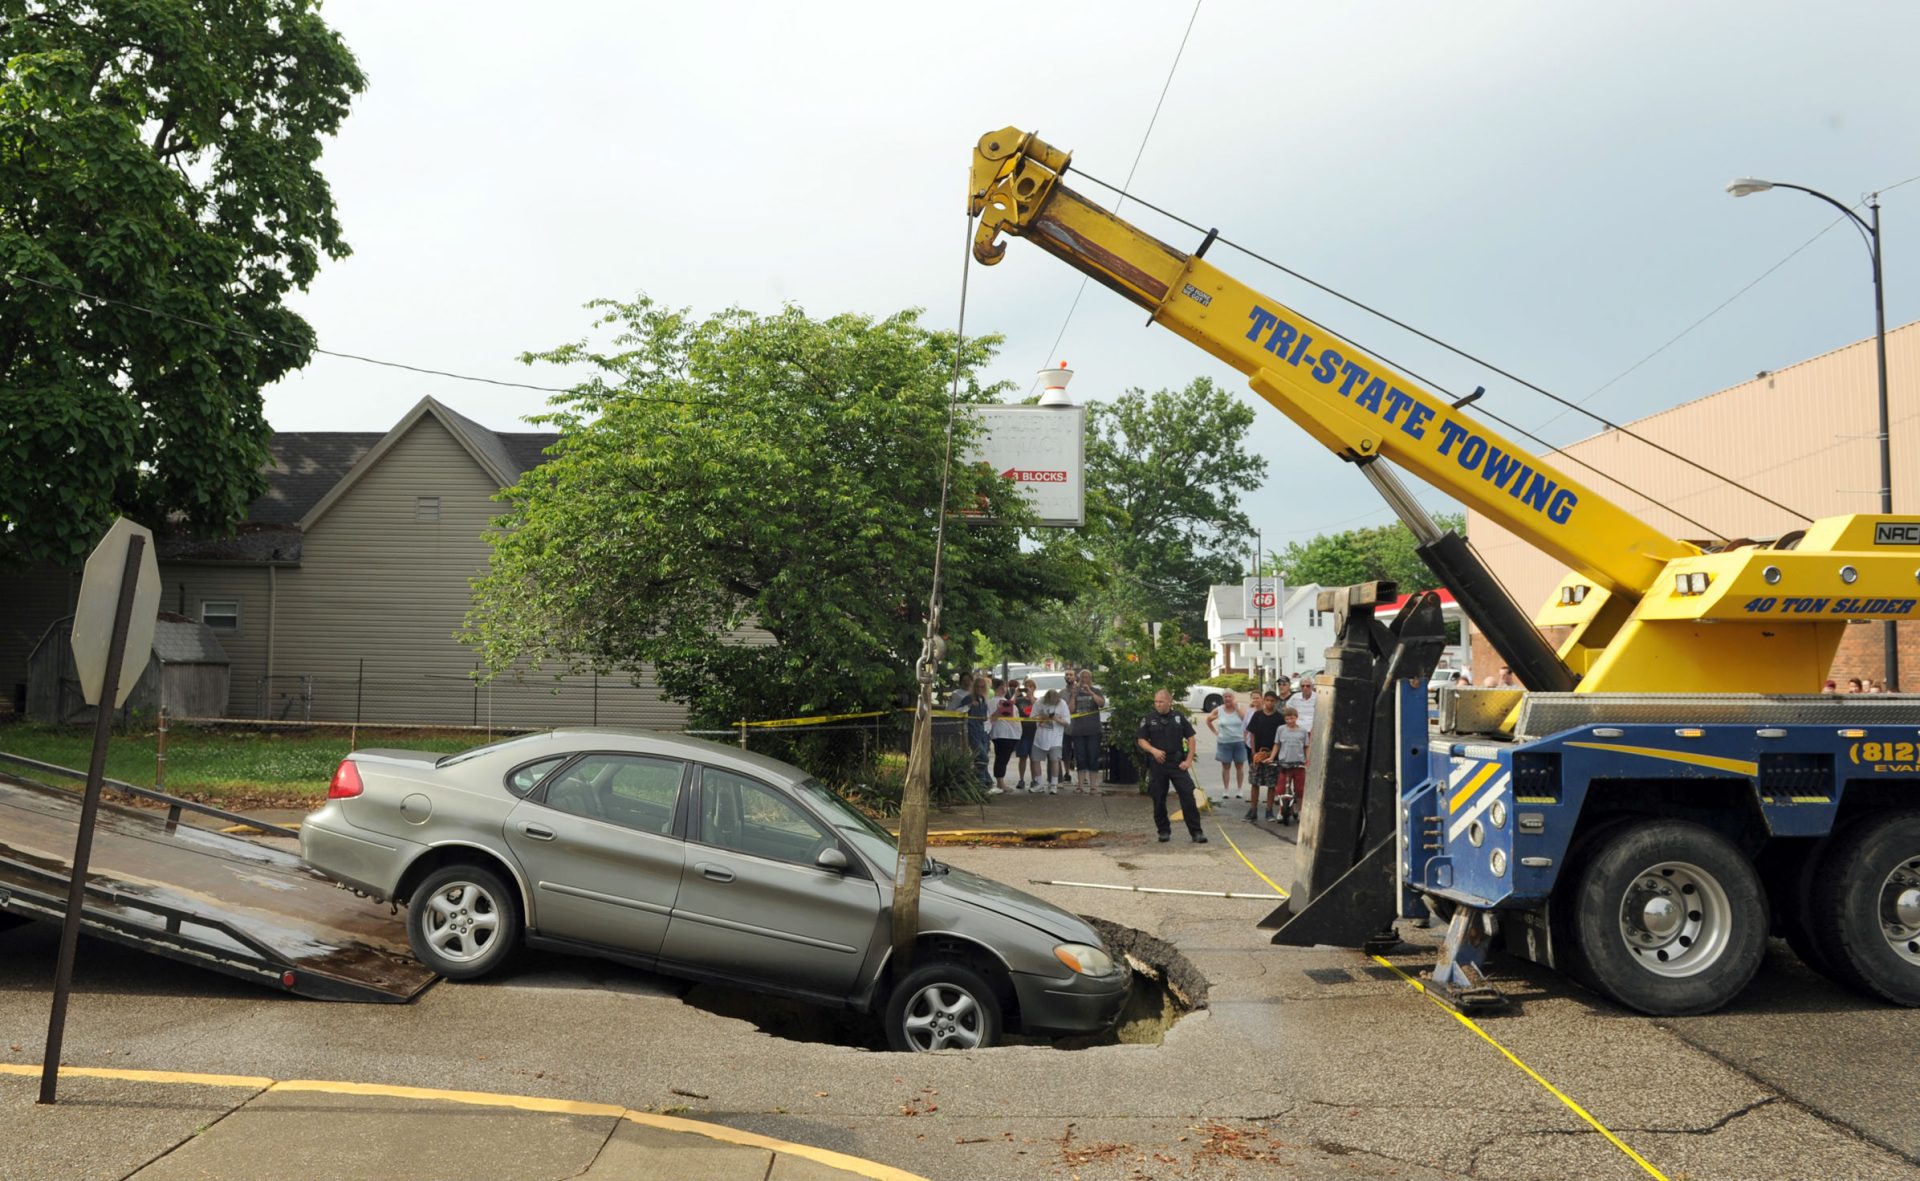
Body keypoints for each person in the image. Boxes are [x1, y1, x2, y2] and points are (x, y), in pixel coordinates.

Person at [1136, 689, 1207, 844]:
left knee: (1188, 795)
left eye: (1161, 701)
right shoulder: (1149, 719)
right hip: (1158, 764)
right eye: (1156, 702)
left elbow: (1191, 738)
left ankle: (1196, 832)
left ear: (1169, 702)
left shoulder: (1178, 718)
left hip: (1177, 763)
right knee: (1158, 798)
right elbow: (1141, 740)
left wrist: (1188, 761)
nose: (1158, 704)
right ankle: (1163, 831)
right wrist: (1153, 750)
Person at [1244, 690, 1283, 822]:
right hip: (1258, 754)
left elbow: (1280, 738)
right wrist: (1254, 752)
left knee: (1271, 784)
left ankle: (1269, 811)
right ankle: (1253, 810)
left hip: (1272, 755)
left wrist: (1273, 754)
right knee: (1255, 783)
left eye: (1272, 701)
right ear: (1264, 700)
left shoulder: (1279, 717)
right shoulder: (1257, 715)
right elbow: (1252, 734)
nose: (1269, 703)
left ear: (1276, 702)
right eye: (1267, 700)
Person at [1068, 669, 1107, 792]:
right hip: (1078, 730)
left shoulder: (1096, 691)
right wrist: (1074, 696)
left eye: (1087, 677)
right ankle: (1080, 785)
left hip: (1093, 730)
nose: (1084, 679)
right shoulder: (1075, 691)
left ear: (1090, 679)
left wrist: (1090, 693)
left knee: (1093, 756)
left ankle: (1093, 785)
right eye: (1082, 677)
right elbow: (1069, 710)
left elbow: (1102, 704)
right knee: (1080, 757)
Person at [1207, 690, 1250, 799]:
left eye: (1229, 696)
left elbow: (1245, 720)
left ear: (1233, 697)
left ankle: (1239, 789)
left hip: (1239, 741)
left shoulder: (1240, 707)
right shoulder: (1219, 709)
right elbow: (1208, 719)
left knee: (1239, 766)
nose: (1227, 699)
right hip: (1224, 742)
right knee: (1226, 766)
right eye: (1225, 697)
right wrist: (1215, 732)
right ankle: (1226, 789)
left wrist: (1236, 708)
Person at [1273, 707, 1309, 826]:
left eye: (1292, 718)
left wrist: (1307, 759)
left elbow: (1306, 746)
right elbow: (1277, 744)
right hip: (1284, 762)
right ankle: (1281, 811)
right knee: (1281, 788)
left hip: (1298, 763)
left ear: (1296, 718)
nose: (1289, 721)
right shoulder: (1280, 729)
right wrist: (1272, 757)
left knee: (1299, 789)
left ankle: (1299, 811)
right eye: (1287, 719)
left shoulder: (1303, 731)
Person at [1030, 688, 1070, 792]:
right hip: (1040, 737)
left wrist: (1057, 719)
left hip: (1056, 738)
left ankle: (1054, 784)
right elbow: (1032, 717)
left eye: (1055, 701)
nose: (1053, 702)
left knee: (1055, 760)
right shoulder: (1039, 702)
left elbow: (1067, 722)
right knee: (1035, 759)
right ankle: (1039, 783)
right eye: (1051, 701)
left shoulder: (1062, 704)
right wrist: (1043, 717)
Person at [960, 674, 995, 793]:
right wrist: (969, 706)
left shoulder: (983, 700)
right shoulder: (969, 699)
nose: (980, 689)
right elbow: (957, 711)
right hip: (972, 731)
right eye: (978, 687)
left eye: (982, 687)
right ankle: (981, 782)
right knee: (981, 757)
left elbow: (985, 716)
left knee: (983, 757)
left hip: (982, 731)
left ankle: (985, 782)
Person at [989, 679, 1023, 792]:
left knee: (1001, 758)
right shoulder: (1000, 702)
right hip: (1006, 734)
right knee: (1002, 758)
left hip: (1002, 734)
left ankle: (1000, 781)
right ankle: (1000, 782)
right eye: (1005, 687)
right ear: (1002, 688)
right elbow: (1008, 713)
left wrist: (1014, 696)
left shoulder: (993, 701)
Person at [1014, 678, 1039, 791]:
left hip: (1034, 733)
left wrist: (1031, 697)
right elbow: (1008, 705)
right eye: (1026, 686)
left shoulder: (1037, 701)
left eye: (1031, 687)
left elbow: (1038, 710)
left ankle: (1035, 780)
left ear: (1034, 688)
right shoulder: (1019, 701)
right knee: (1022, 757)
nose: (1028, 688)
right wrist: (1016, 694)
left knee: (1034, 758)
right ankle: (1021, 779)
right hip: (1022, 733)